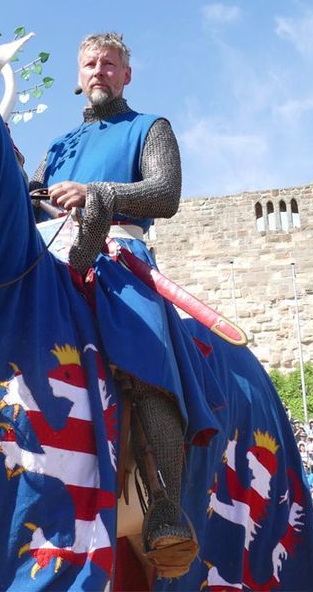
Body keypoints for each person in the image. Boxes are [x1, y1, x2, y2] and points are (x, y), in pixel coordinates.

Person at [29, 32, 198, 577]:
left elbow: (166, 192)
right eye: (90, 64)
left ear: (126, 75)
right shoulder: (58, 146)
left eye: (109, 63)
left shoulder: (149, 127)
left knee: (142, 356)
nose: (99, 71)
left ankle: (166, 508)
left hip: (119, 256)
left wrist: (97, 193)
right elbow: (30, 202)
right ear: (79, 77)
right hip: (52, 260)